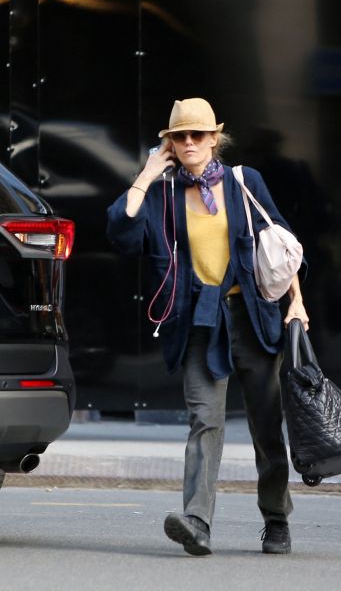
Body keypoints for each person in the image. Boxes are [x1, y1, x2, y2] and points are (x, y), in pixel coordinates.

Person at [106, 98, 309, 556]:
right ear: (170, 144)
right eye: (181, 136)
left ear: (215, 138)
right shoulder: (162, 194)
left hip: (252, 318)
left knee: (266, 423)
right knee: (204, 420)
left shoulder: (244, 182)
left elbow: (280, 242)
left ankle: (276, 519)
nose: (190, 142)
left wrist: (297, 304)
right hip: (199, 321)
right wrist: (146, 175)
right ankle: (196, 522)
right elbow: (121, 233)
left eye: (199, 134)